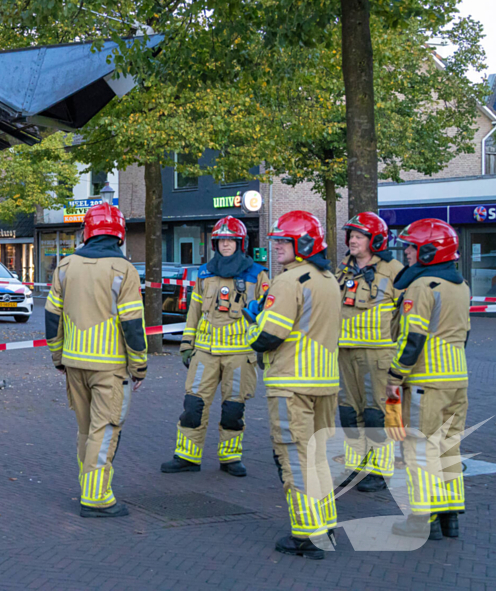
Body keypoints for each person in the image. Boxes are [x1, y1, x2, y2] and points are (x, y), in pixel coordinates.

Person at [245, 210, 341, 560]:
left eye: (284, 241)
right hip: (326, 382)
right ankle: (326, 524)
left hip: (291, 382)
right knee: (319, 457)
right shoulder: (329, 279)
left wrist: (253, 323)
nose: (278, 247)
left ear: (303, 244)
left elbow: (269, 336)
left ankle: (306, 534)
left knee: (294, 458)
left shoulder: (288, 281)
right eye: (277, 241)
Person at [45, 202, 148, 518]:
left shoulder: (65, 266)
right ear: (119, 234)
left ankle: (88, 486)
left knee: (85, 429)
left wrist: (58, 356)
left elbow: (51, 316)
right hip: (110, 367)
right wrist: (139, 365)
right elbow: (132, 324)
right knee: (105, 430)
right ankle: (97, 498)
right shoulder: (124, 270)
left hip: (74, 363)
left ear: (87, 231)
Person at [161, 216, 268, 477]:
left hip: (240, 354)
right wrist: (187, 345)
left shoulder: (257, 275)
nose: (226, 245)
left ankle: (230, 458)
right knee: (193, 405)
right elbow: (194, 313)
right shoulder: (205, 273)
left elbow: (268, 313)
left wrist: (264, 347)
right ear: (214, 243)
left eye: (231, 240)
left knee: (233, 409)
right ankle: (187, 456)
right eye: (221, 240)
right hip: (205, 352)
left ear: (240, 242)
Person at [386, 218, 470, 541]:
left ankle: (421, 518)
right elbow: (465, 335)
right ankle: (450, 517)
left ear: (429, 251)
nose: (406, 252)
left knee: (420, 450)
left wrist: (395, 375)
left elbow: (413, 339)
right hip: (458, 379)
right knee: (449, 446)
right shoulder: (461, 286)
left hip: (426, 380)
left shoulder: (422, 287)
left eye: (411, 247)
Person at [336, 212, 404, 492]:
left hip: (379, 353)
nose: (353, 239)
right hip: (345, 351)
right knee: (349, 411)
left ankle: (378, 470)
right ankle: (356, 467)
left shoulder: (395, 270)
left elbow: (406, 316)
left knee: (377, 412)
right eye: (351, 235)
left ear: (374, 239)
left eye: (359, 235)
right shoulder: (342, 270)